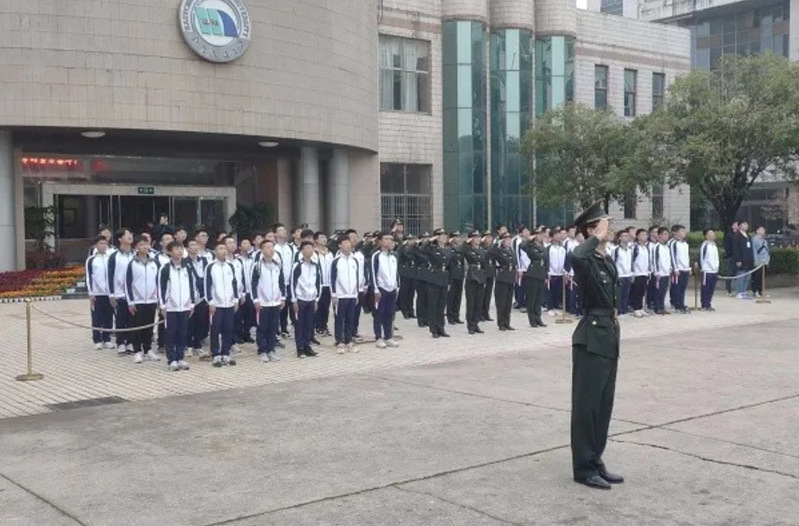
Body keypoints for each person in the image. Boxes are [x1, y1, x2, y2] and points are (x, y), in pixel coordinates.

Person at [569, 201, 624, 491]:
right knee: (587, 407)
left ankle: (595, 459)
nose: (610, 228)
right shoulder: (586, 259)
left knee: (603, 406)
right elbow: (577, 255)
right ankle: (583, 468)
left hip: (608, 335)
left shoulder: (604, 259)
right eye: (605, 224)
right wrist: (595, 237)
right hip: (591, 338)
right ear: (591, 230)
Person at [158, 241, 195, 372]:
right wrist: (162, 306)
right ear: (169, 252)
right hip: (171, 307)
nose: (179, 251)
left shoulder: (187, 268)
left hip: (185, 306)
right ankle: (171, 360)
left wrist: (192, 303)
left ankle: (180, 357)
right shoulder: (165, 268)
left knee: (182, 333)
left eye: (181, 248)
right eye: (176, 249)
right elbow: (161, 288)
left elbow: (191, 286)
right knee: (170, 334)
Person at [125, 235, 161, 364]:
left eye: (146, 244)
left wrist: (159, 300)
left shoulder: (154, 263)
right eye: (141, 245)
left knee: (149, 326)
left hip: (151, 300)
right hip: (137, 301)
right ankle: (137, 351)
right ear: (136, 247)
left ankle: (148, 349)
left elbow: (159, 282)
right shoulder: (132, 263)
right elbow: (128, 283)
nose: (144, 247)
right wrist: (130, 301)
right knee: (137, 326)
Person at [205, 241, 241, 367]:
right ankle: (215, 354)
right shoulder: (210, 266)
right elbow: (207, 285)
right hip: (216, 304)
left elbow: (234, 283)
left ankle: (226, 353)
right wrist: (210, 301)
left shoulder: (229, 266)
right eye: (220, 248)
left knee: (228, 329)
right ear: (215, 252)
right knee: (215, 329)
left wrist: (236, 299)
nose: (223, 251)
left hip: (229, 303)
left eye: (225, 248)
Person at [252, 239, 285, 362]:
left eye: (272, 247)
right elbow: (253, 283)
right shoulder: (257, 266)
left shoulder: (277, 265)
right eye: (268, 247)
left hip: (275, 301)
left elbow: (281, 282)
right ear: (262, 250)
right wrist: (255, 300)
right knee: (262, 327)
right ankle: (262, 351)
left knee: (273, 327)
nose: (271, 249)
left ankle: (271, 349)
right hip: (262, 302)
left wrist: (282, 297)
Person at [331, 234, 362, 353]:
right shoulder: (336, 261)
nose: (348, 245)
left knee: (350, 318)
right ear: (340, 245)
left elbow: (356, 277)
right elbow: (332, 278)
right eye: (345, 243)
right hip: (340, 295)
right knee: (340, 318)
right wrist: (334, 294)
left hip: (352, 294)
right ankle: (340, 341)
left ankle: (349, 340)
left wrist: (357, 293)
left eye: (349, 243)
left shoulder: (354, 260)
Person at [107, 228, 135, 354]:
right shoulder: (114, 256)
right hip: (120, 293)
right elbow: (110, 276)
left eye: (130, 234)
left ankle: (130, 342)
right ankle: (120, 343)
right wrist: (111, 294)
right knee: (121, 319)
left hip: (134, 294)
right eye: (127, 234)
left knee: (132, 319)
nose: (130, 236)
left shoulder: (136, 255)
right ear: (120, 239)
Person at [292, 241, 321, 358]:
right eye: (307, 248)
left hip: (311, 299)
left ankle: (307, 346)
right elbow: (292, 283)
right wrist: (294, 300)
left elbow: (318, 282)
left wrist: (316, 299)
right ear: (302, 251)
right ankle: (300, 348)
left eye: (311, 248)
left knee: (309, 324)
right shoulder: (298, 266)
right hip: (300, 299)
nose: (310, 250)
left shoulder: (315, 266)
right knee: (300, 325)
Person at [371, 232, 400, 349]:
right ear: (380, 241)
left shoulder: (394, 256)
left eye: (391, 239)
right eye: (386, 239)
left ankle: (388, 336)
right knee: (379, 313)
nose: (389, 241)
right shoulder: (376, 256)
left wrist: (397, 287)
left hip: (392, 288)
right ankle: (378, 337)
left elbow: (397, 273)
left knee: (389, 313)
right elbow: (373, 273)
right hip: (381, 289)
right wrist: (375, 289)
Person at [86, 236, 114, 349]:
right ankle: (97, 339)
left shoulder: (110, 258)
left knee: (108, 316)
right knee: (97, 317)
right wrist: (91, 292)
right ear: (96, 245)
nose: (103, 245)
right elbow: (88, 276)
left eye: (105, 243)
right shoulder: (91, 259)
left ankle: (107, 338)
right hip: (97, 293)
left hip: (109, 293)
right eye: (100, 243)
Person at [424, 229, 452, 339]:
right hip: (434, 278)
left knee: (441, 306)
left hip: (444, 278)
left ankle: (441, 328)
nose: (444, 237)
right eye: (441, 235)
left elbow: (450, 267)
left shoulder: (448, 249)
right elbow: (422, 249)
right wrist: (430, 240)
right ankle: (433, 329)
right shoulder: (431, 248)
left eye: (445, 235)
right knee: (433, 305)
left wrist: (449, 281)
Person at [185, 239, 209, 357]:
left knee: (201, 321)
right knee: (190, 322)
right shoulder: (184, 262)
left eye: (196, 245)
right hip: (189, 296)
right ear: (187, 248)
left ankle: (197, 345)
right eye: (192, 245)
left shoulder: (204, 261)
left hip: (202, 296)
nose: (195, 247)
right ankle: (188, 345)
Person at [520, 229, 549, 328]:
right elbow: (522, 246)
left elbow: (547, 261)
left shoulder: (544, 247)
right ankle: (532, 319)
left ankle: (538, 317)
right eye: (539, 235)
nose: (541, 236)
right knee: (532, 298)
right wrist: (529, 239)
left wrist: (546, 275)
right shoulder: (530, 246)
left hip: (541, 274)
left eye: (542, 235)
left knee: (539, 298)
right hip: (533, 274)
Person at [461, 230, 487, 335]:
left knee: (479, 303)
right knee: (471, 303)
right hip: (471, 277)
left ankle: (476, 323)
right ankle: (470, 325)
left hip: (480, 277)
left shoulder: (482, 250)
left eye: (479, 237)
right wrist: (466, 242)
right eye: (475, 237)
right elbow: (462, 250)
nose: (478, 239)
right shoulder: (468, 249)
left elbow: (485, 264)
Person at [273, 223, 297, 337]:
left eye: (284, 230)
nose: (283, 232)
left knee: (291, 304)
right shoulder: (273, 248)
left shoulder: (291, 248)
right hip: (278, 282)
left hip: (290, 281)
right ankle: (282, 328)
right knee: (281, 306)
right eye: (280, 230)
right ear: (275, 234)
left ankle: (293, 326)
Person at [490, 232, 516, 331]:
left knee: (508, 302)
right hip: (502, 278)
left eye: (509, 239)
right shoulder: (498, 251)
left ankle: (507, 322)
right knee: (501, 302)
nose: (509, 241)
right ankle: (501, 323)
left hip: (510, 277)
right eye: (506, 239)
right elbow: (491, 253)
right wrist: (497, 243)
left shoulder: (511, 250)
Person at [314, 232, 334, 336]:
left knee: (326, 307)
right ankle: (317, 326)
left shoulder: (329, 253)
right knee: (318, 306)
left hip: (328, 284)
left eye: (325, 237)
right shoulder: (314, 253)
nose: (324, 239)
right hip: (319, 284)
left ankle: (324, 325)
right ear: (316, 240)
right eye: (321, 237)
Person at [669, 225, 691, 314]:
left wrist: (688, 267)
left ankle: (681, 303)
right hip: (677, 269)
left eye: (684, 231)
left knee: (682, 287)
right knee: (676, 287)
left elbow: (687, 256)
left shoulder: (685, 244)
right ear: (676, 232)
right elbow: (672, 256)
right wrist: (675, 268)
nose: (684, 233)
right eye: (681, 231)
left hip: (685, 269)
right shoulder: (673, 243)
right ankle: (676, 304)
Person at [630, 229, 651, 318]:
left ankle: (640, 307)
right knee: (636, 291)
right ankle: (636, 309)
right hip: (637, 273)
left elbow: (648, 260)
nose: (645, 237)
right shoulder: (635, 247)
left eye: (646, 235)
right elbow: (632, 260)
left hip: (644, 273)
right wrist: (632, 271)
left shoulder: (646, 247)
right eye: (643, 235)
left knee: (642, 291)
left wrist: (648, 270)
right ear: (638, 237)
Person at [652, 227, 673, 315]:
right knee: (658, 290)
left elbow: (669, 258)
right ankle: (657, 307)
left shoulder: (667, 247)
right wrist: (657, 272)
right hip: (660, 273)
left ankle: (662, 306)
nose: (667, 236)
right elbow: (655, 260)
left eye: (667, 234)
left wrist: (670, 268)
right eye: (665, 234)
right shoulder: (657, 247)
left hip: (666, 272)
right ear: (660, 235)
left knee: (664, 290)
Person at [446, 231, 465, 325]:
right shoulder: (448, 248)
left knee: (458, 296)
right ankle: (450, 316)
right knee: (451, 297)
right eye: (456, 237)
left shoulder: (461, 248)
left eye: (459, 237)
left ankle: (456, 315)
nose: (458, 239)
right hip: (452, 275)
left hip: (460, 275)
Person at [613, 231, 633, 316]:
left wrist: (631, 272)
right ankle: (619, 310)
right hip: (620, 275)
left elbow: (631, 262)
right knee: (619, 294)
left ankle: (624, 309)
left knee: (626, 293)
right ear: (619, 238)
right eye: (624, 236)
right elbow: (613, 262)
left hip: (628, 275)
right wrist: (615, 274)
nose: (626, 238)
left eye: (628, 236)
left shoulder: (629, 250)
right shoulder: (616, 250)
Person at [397, 235, 418, 319]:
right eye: (409, 240)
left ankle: (411, 310)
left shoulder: (415, 248)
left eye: (412, 240)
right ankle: (404, 310)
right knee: (404, 292)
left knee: (411, 293)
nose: (411, 241)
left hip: (413, 272)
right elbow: (398, 254)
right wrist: (402, 245)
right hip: (404, 273)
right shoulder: (402, 249)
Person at [732, 221, 754, 299]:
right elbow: (736, 249)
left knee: (747, 277)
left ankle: (744, 291)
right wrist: (738, 260)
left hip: (748, 260)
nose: (746, 226)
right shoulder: (737, 236)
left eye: (746, 224)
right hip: (741, 259)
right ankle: (739, 292)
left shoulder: (748, 236)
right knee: (741, 276)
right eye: (744, 224)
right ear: (740, 226)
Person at [547, 230, 567, 316]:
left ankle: (555, 307)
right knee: (550, 291)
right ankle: (550, 307)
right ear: (551, 237)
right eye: (556, 235)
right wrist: (547, 272)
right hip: (551, 273)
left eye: (559, 234)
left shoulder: (562, 249)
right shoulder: (549, 248)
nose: (558, 236)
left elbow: (565, 261)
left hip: (560, 273)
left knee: (558, 291)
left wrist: (565, 271)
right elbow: (547, 261)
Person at [700, 229, 720, 311]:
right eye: (710, 233)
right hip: (707, 271)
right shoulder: (705, 245)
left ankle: (708, 304)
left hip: (714, 271)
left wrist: (716, 267)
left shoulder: (714, 246)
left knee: (711, 288)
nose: (713, 235)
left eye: (713, 233)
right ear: (706, 236)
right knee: (706, 288)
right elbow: (703, 258)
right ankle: (704, 305)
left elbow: (716, 258)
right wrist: (704, 268)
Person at [513, 226, 530, 310]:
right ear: (520, 233)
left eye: (527, 230)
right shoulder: (518, 242)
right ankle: (520, 303)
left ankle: (527, 303)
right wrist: (519, 268)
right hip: (521, 268)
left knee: (528, 286)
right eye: (525, 231)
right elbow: (517, 255)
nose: (527, 232)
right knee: (520, 286)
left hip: (528, 267)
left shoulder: (528, 241)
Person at [751, 225, 770, 298]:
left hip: (764, 261)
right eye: (761, 229)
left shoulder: (764, 241)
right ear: (757, 231)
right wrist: (756, 261)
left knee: (763, 277)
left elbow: (767, 251)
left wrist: (767, 260)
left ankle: (761, 291)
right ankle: (755, 291)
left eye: (763, 229)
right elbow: (754, 251)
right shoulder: (754, 240)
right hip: (758, 261)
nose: (763, 231)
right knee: (756, 277)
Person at [724, 222, 739, 296]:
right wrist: (729, 256)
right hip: (731, 257)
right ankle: (728, 290)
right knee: (730, 273)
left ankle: (737, 290)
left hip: (738, 257)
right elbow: (727, 246)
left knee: (738, 273)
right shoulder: (729, 235)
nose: (737, 226)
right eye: (736, 224)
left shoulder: (739, 235)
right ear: (732, 226)